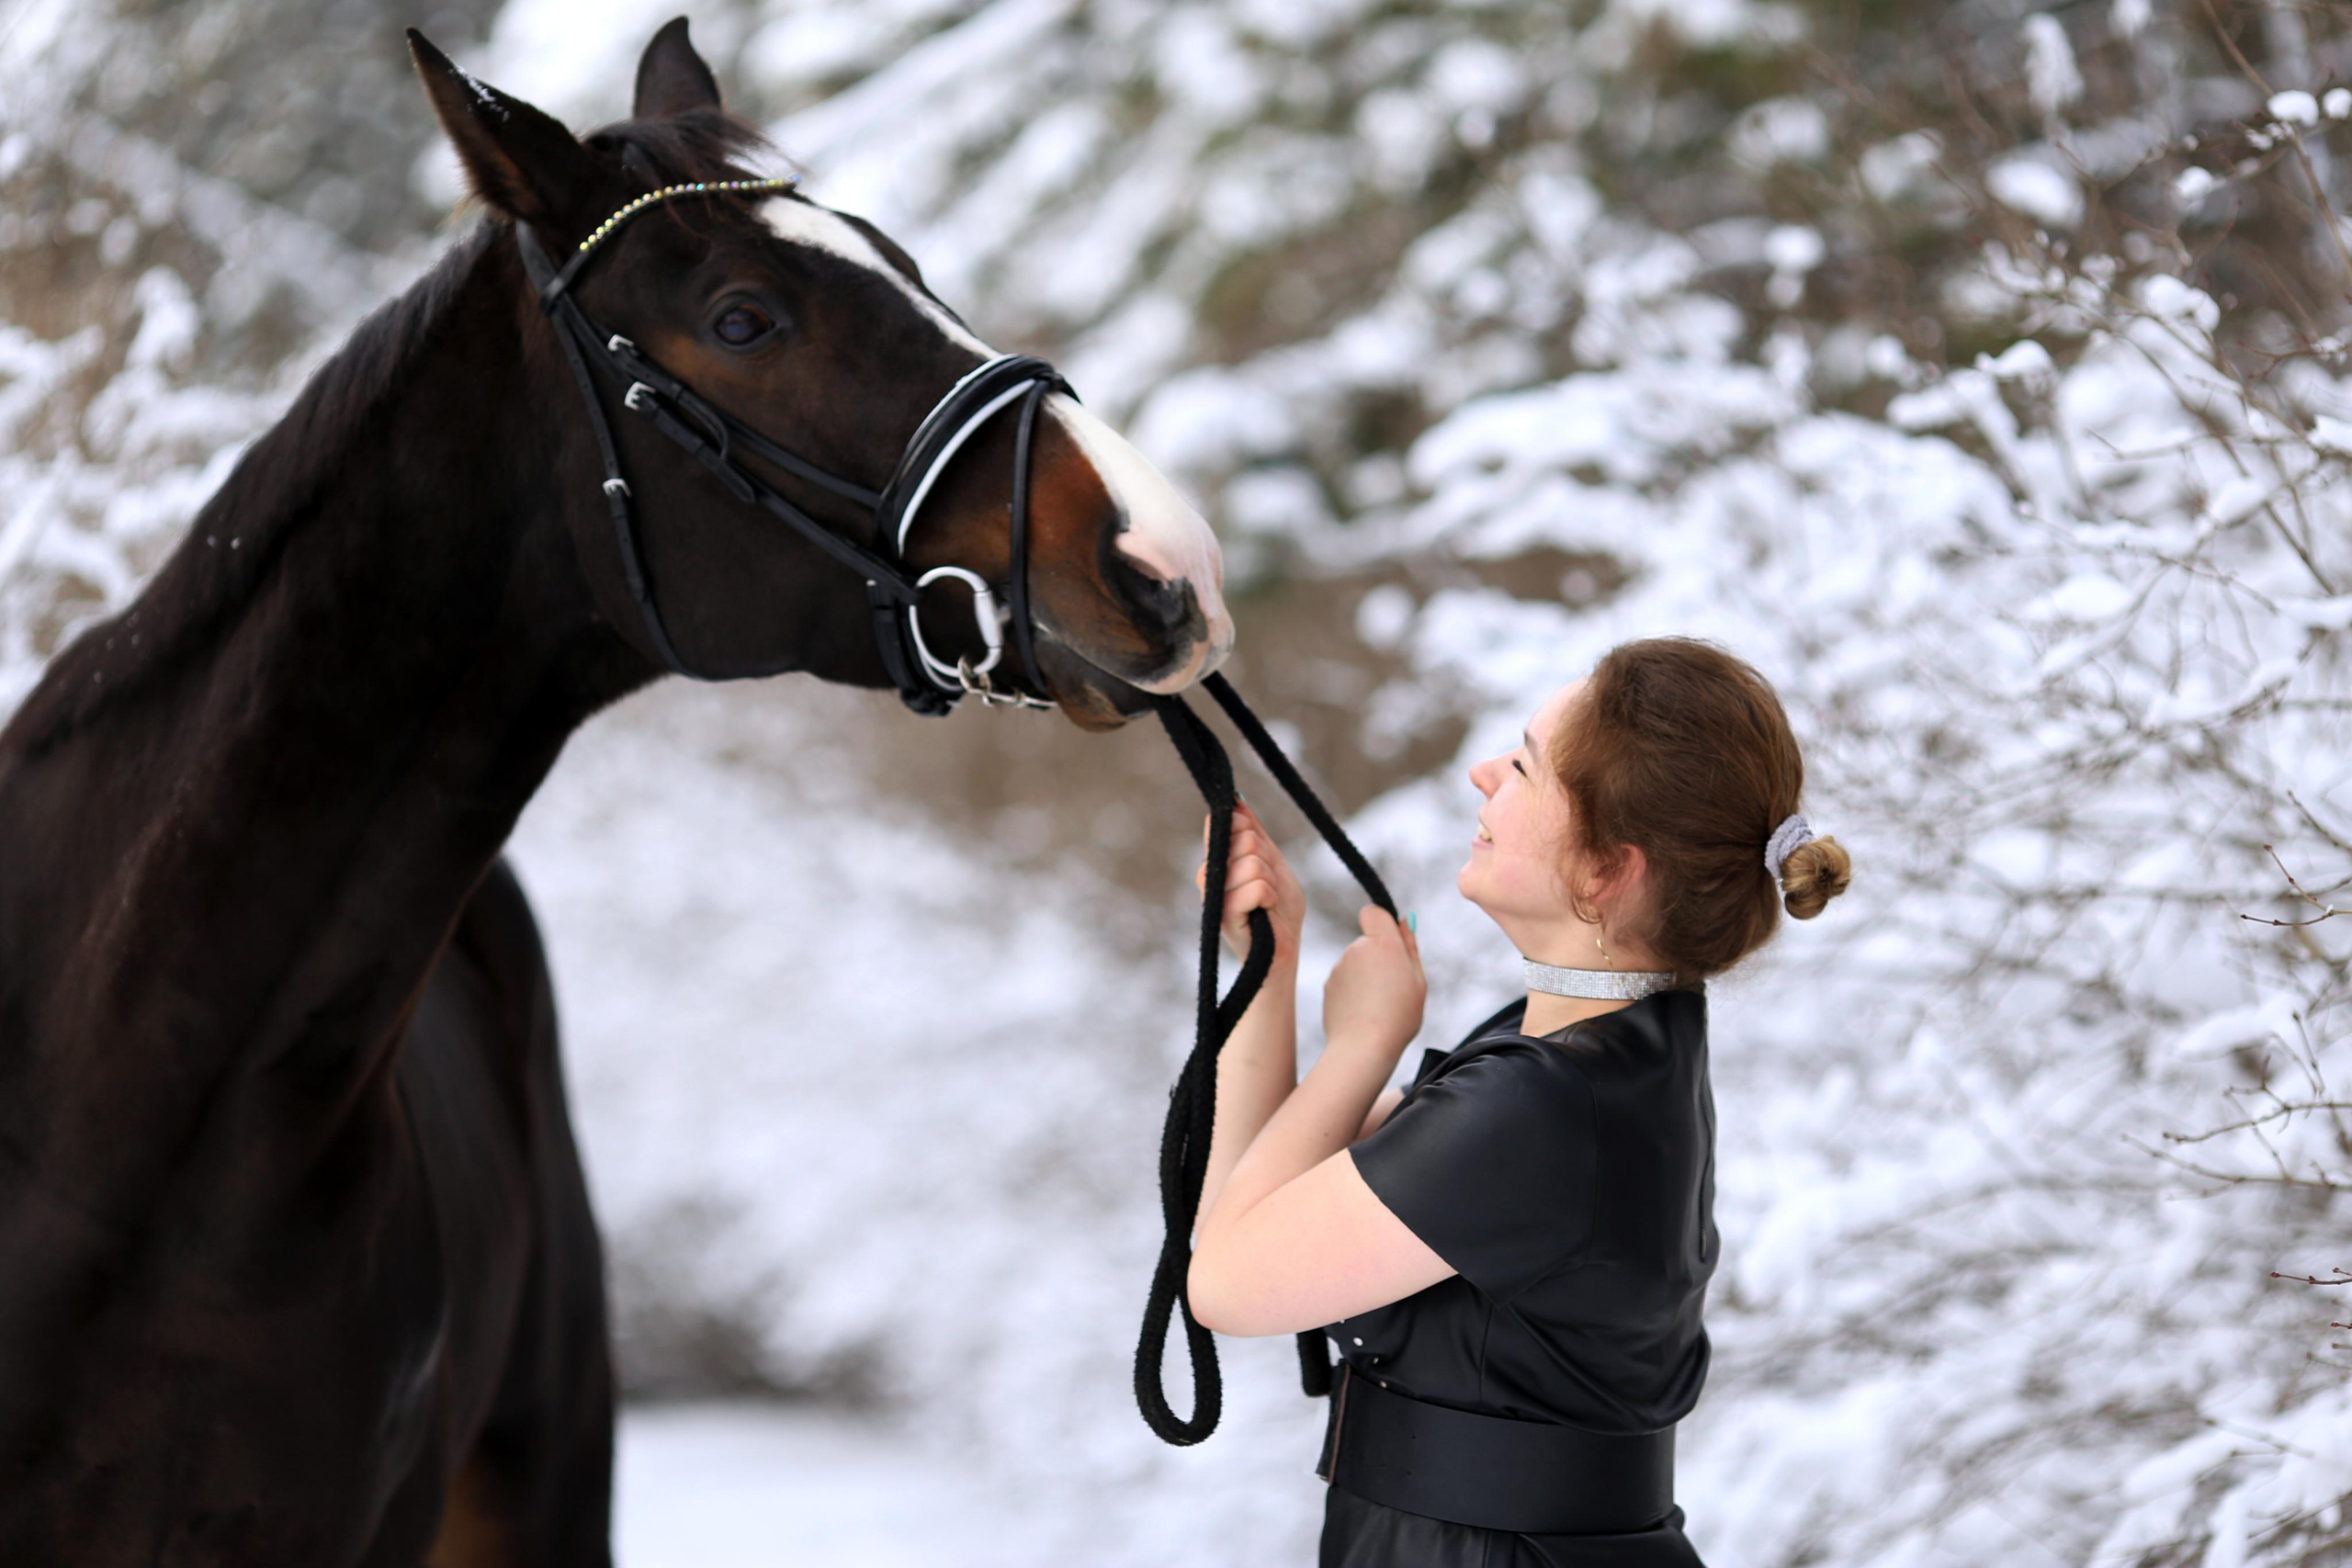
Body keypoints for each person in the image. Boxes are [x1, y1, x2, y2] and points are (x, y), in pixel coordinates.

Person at [1187, 637, 1852, 1567]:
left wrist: (1365, 1042)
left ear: (1605, 871)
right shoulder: (1601, 1056)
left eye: (1525, 766)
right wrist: (1271, 963)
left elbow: (1224, 1281)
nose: (1480, 774)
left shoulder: (1543, 1104)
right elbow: (1261, 1205)